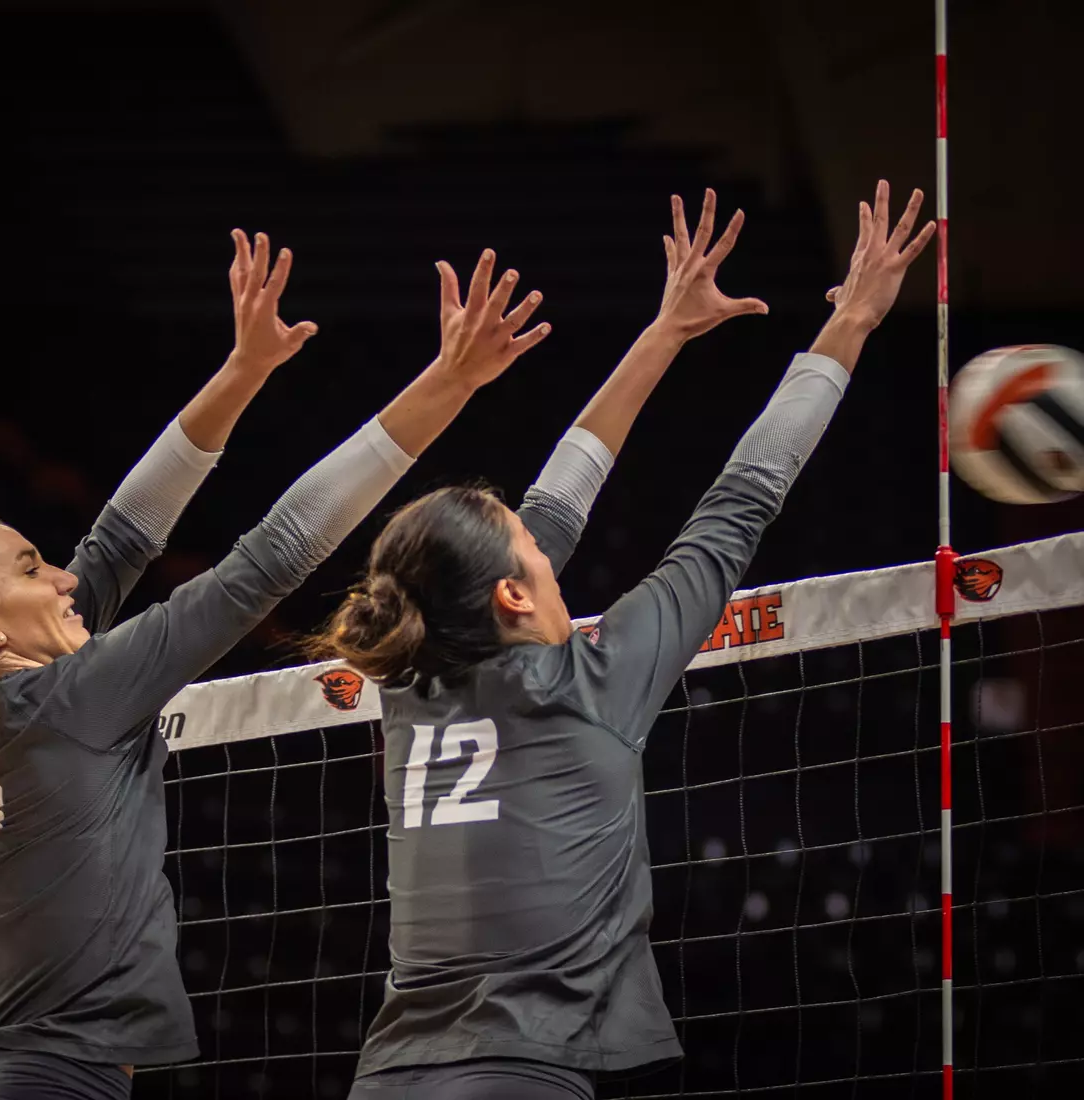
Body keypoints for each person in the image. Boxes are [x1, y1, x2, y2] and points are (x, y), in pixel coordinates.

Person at [0, 232, 551, 1098]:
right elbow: (275, 555)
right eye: (33, 567)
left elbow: (120, 538)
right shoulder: (73, 695)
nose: (66, 576)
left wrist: (245, 368)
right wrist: (449, 384)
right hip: (39, 1080)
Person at [311, 183, 936, 1100]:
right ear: (514, 594)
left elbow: (559, 503)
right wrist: (850, 328)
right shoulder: (591, 682)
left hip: (389, 1074)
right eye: (533, 548)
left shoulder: (411, 680)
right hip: (521, 1077)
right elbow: (739, 502)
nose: (551, 545)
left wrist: (667, 332)